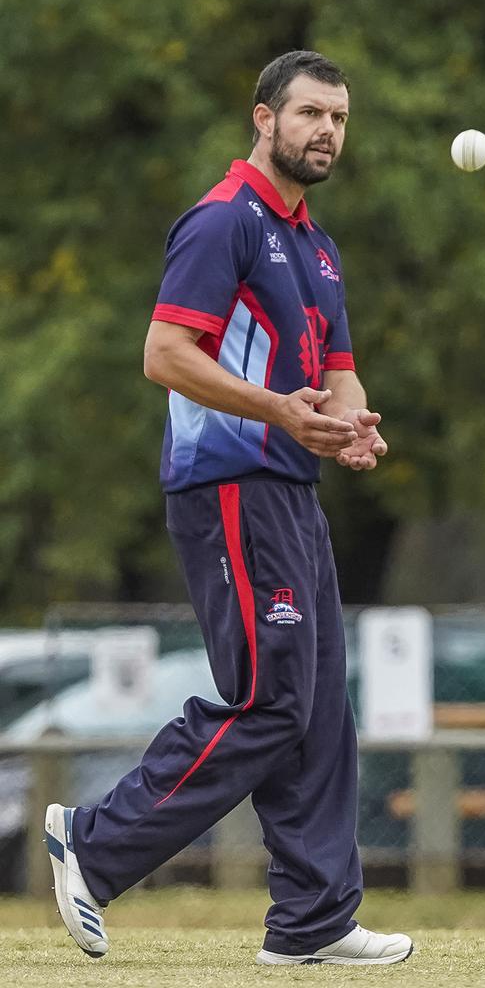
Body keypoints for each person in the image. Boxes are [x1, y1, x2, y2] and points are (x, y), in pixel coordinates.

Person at [44, 50, 413, 967]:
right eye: (309, 114)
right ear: (264, 119)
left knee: (322, 707)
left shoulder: (317, 247)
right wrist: (281, 412)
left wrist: (350, 423)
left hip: (289, 491)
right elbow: (165, 353)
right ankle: (93, 843)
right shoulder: (223, 223)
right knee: (272, 700)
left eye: (339, 117)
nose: (326, 130)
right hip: (228, 490)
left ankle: (314, 920)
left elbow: (335, 372)